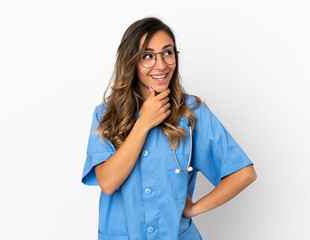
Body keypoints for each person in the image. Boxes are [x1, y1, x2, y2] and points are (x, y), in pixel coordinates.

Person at [81, 17, 257, 240]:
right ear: (131, 62)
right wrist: (143, 123)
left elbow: (243, 173)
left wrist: (195, 208)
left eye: (168, 52)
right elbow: (107, 182)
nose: (162, 64)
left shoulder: (192, 113)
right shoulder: (106, 114)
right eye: (148, 56)